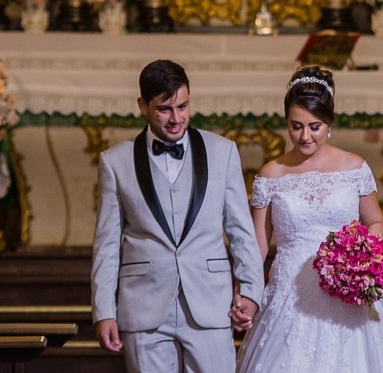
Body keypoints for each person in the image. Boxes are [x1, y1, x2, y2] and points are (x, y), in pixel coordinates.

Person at [235, 66, 383, 372]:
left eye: (314, 127)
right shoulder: (271, 174)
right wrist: (246, 291)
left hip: (346, 292)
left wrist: (361, 262)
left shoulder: (354, 167)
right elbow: (259, 245)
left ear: (329, 122)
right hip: (289, 294)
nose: (304, 136)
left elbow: (375, 222)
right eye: (296, 126)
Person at [91, 59, 263, 373]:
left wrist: (251, 291)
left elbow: (241, 231)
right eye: (164, 109)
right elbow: (107, 244)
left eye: (183, 107)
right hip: (143, 308)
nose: (176, 118)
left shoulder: (222, 151)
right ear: (142, 106)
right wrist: (104, 310)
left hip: (210, 304)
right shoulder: (115, 162)